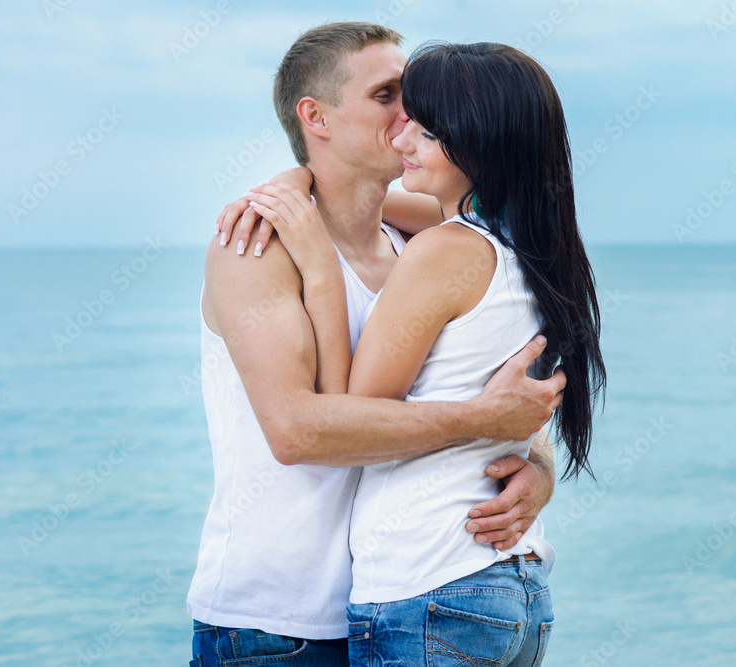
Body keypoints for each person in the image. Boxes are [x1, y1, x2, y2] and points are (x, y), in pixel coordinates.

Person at [189, 24, 566, 667]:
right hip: (278, 624)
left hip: (403, 600)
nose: (410, 115)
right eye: (388, 94)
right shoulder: (256, 246)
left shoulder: (422, 244)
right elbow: (296, 432)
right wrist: (481, 421)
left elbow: (490, 378)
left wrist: (538, 469)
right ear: (317, 117)